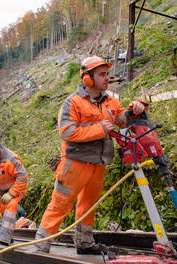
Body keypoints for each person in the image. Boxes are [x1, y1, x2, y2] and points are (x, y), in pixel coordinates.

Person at [33, 56, 146, 255]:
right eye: (102, 74)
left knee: (88, 205)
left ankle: (84, 243)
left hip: (98, 164)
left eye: (107, 74)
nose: (107, 78)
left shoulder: (110, 101)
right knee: (60, 204)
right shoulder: (73, 103)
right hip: (74, 164)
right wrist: (99, 130)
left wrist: (134, 109)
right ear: (87, 78)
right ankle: (40, 246)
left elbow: (121, 120)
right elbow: (67, 132)